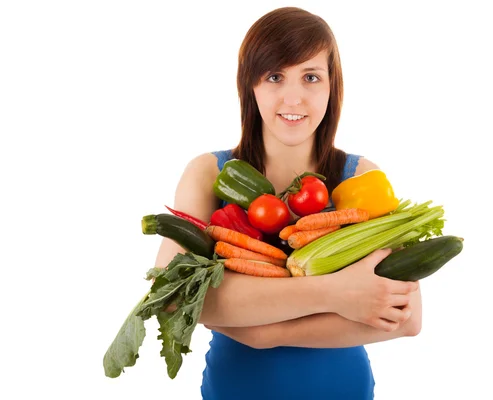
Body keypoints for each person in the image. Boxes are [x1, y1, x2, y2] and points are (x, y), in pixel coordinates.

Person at [154, 7, 421, 399]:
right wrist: (338, 295)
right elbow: (173, 298)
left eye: (311, 77)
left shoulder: (361, 177)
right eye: (275, 76)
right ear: (250, 85)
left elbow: (405, 319)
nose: (293, 97)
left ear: (332, 87)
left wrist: (263, 331)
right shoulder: (209, 174)